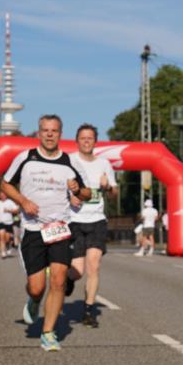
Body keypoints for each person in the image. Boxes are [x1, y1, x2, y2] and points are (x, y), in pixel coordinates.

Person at [1, 114, 91, 352]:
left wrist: (78, 189)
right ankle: (34, 300)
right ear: (39, 133)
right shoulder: (26, 158)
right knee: (37, 286)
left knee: (60, 280)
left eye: (54, 130)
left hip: (60, 228)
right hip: (33, 230)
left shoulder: (70, 162)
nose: (50, 134)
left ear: (60, 134)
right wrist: (22, 200)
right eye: (45, 130)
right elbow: (5, 183)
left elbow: (88, 194)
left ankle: (48, 332)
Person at [66, 123, 117, 327]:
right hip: (75, 221)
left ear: (95, 141)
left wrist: (107, 187)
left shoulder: (104, 164)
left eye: (90, 138)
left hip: (97, 220)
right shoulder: (69, 162)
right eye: (83, 138)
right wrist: (69, 197)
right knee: (77, 271)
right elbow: (59, 189)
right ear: (77, 141)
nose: (86, 141)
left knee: (93, 266)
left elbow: (114, 194)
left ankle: (88, 311)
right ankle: (68, 280)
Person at [0, 190, 20, 258]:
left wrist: (8, 210)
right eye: (1, 195)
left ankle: (8, 246)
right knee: (1, 237)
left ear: (6, 195)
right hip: (0, 222)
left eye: (4, 195)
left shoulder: (10, 202)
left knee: (7, 238)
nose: (2, 196)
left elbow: (17, 210)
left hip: (9, 222)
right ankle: (3, 252)